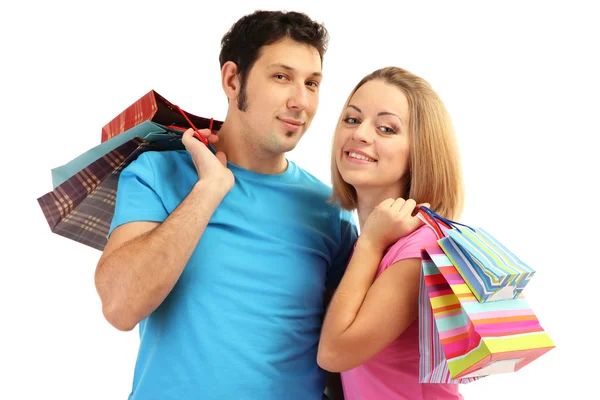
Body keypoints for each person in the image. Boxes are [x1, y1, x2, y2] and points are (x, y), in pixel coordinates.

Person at [94, 10, 358, 400]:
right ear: (233, 80)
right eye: (281, 76)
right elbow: (120, 306)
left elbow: (343, 360)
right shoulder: (158, 173)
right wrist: (208, 191)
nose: (301, 101)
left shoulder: (329, 210)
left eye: (312, 83)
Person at [317, 66, 465, 399]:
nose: (361, 134)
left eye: (386, 128)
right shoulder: (373, 244)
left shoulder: (421, 249)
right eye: (352, 120)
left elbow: (334, 353)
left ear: (420, 152)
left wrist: (370, 241)